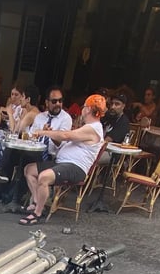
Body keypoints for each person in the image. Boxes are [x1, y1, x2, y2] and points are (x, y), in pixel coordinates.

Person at [19, 93, 106, 225]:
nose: (82, 109)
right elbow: (64, 141)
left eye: (84, 107)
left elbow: (65, 135)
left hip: (75, 167)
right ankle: (37, 202)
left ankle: (37, 213)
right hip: (62, 163)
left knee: (44, 177)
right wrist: (52, 135)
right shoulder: (88, 127)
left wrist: (42, 132)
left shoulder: (93, 129)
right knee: (29, 170)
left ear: (88, 109)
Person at [0, 87, 73, 212]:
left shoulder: (66, 118)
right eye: (54, 101)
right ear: (47, 102)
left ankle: (12, 196)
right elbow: (30, 136)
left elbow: (60, 142)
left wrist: (48, 133)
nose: (58, 104)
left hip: (48, 155)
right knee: (11, 150)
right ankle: (0, 185)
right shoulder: (40, 117)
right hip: (33, 149)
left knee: (25, 160)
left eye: (60, 101)